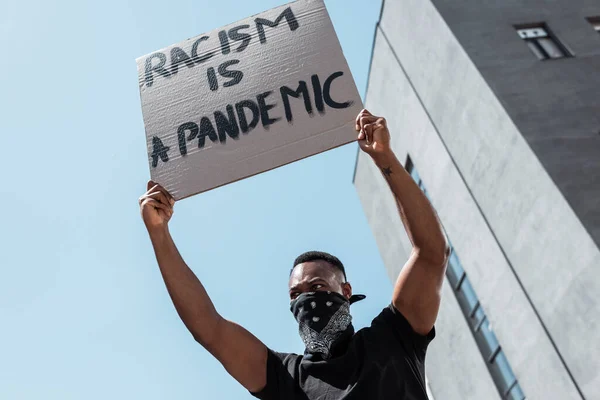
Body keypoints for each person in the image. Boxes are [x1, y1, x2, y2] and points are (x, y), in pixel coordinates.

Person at [139, 109, 450, 399]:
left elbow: (431, 254)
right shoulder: (284, 377)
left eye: (317, 287)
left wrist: (385, 157)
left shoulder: (392, 338)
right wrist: (159, 233)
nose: (307, 300)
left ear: (345, 291)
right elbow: (208, 328)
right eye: (296, 294)